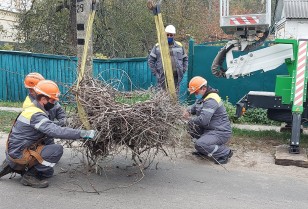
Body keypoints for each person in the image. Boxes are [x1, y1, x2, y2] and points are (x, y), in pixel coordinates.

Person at [0, 80, 96, 188]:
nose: (54, 103)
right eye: (53, 100)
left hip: (14, 149)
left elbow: (51, 128)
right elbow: (56, 131)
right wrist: (82, 133)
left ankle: (12, 165)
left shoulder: (31, 109)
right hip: (19, 153)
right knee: (56, 150)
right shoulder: (36, 115)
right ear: (43, 99)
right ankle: (29, 175)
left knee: (48, 172)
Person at [183, 76, 233, 164]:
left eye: (196, 92)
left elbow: (203, 121)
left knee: (200, 144)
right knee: (192, 125)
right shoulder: (203, 97)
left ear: (204, 88)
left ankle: (225, 152)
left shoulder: (211, 100)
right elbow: (193, 108)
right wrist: (187, 110)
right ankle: (204, 150)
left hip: (220, 131)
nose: (195, 94)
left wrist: (189, 118)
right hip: (209, 129)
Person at [148, 24, 188, 91]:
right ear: (165, 34)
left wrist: (183, 70)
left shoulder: (179, 46)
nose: (169, 36)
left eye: (171, 35)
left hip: (176, 77)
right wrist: (156, 74)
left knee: (174, 96)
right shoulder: (158, 46)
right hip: (162, 78)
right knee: (162, 96)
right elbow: (150, 60)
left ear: (174, 35)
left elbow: (185, 59)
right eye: (167, 34)